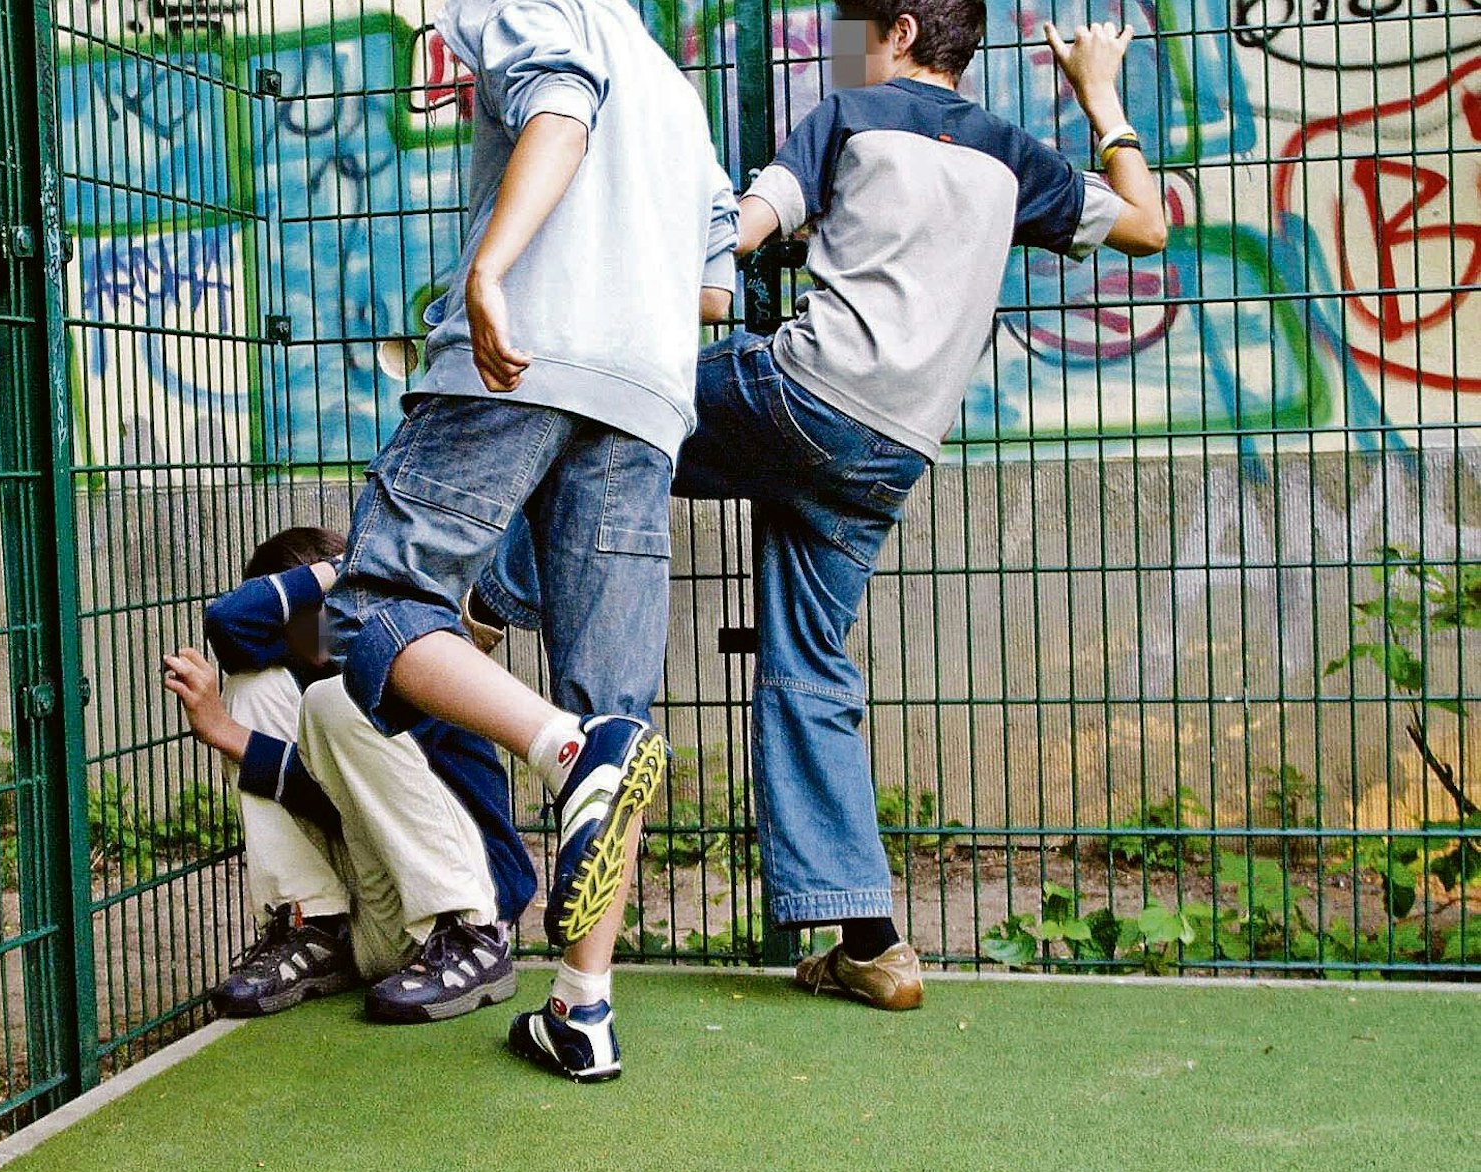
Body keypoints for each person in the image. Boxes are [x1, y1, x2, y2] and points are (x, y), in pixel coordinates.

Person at [475, 4, 1168, 1010]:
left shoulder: (846, 114)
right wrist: (1097, 94)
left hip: (803, 395)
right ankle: (872, 940)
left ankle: (485, 606)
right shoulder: (1014, 158)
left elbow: (739, 232)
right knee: (811, 668)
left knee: (607, 421)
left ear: (893, 30)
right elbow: (1145, 225)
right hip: (891, 448)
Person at [321, 0, 740, 1080]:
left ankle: (562, 752)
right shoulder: (677, 89)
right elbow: (708, 285)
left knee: (371, 604)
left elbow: (558, 105)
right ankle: (581, 1009)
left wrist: (491, 269)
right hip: (646, 396)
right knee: (620, 707)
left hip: (520, 358)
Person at [161, 525, 536, 1023]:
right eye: (294, 617)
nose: (310, 626)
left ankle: (474, 941)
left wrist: (225, 733)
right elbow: (229, 622)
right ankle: (313, 928)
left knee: (334, 698)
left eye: (323, 608)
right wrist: (328, 572)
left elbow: (323, 789)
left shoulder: (419, 655)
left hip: (467, 909)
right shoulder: (304, 673)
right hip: (379, 923)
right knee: (254, 686)